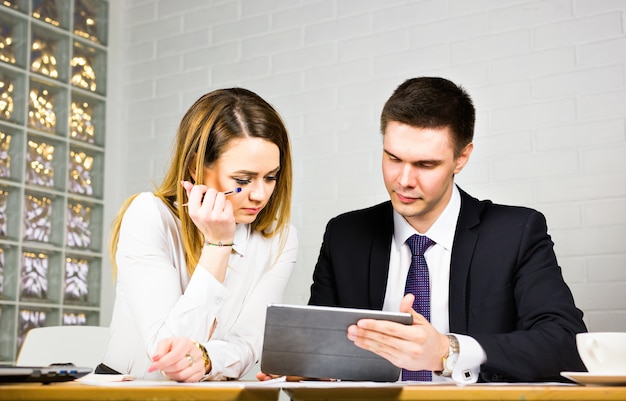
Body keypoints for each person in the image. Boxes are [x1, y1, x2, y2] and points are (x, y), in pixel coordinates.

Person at [259, 76, 586, 383]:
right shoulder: (345, 236)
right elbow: (320, 350)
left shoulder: (515, 233)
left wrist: (447, 351)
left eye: (425, 165)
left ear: (462, 158)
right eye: (393, 158)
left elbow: (565, 345)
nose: (403, 180)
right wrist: (302, 367)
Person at [100, 88, 298, 382]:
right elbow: (166, 356)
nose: (260, 194)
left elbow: (248, 342)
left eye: (271, 177)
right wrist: (218, 244)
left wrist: (206, 360)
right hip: (125, 392)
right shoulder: (149, 215)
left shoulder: (279, 239)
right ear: (195, 168)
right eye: (243, 180)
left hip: (207, 393)